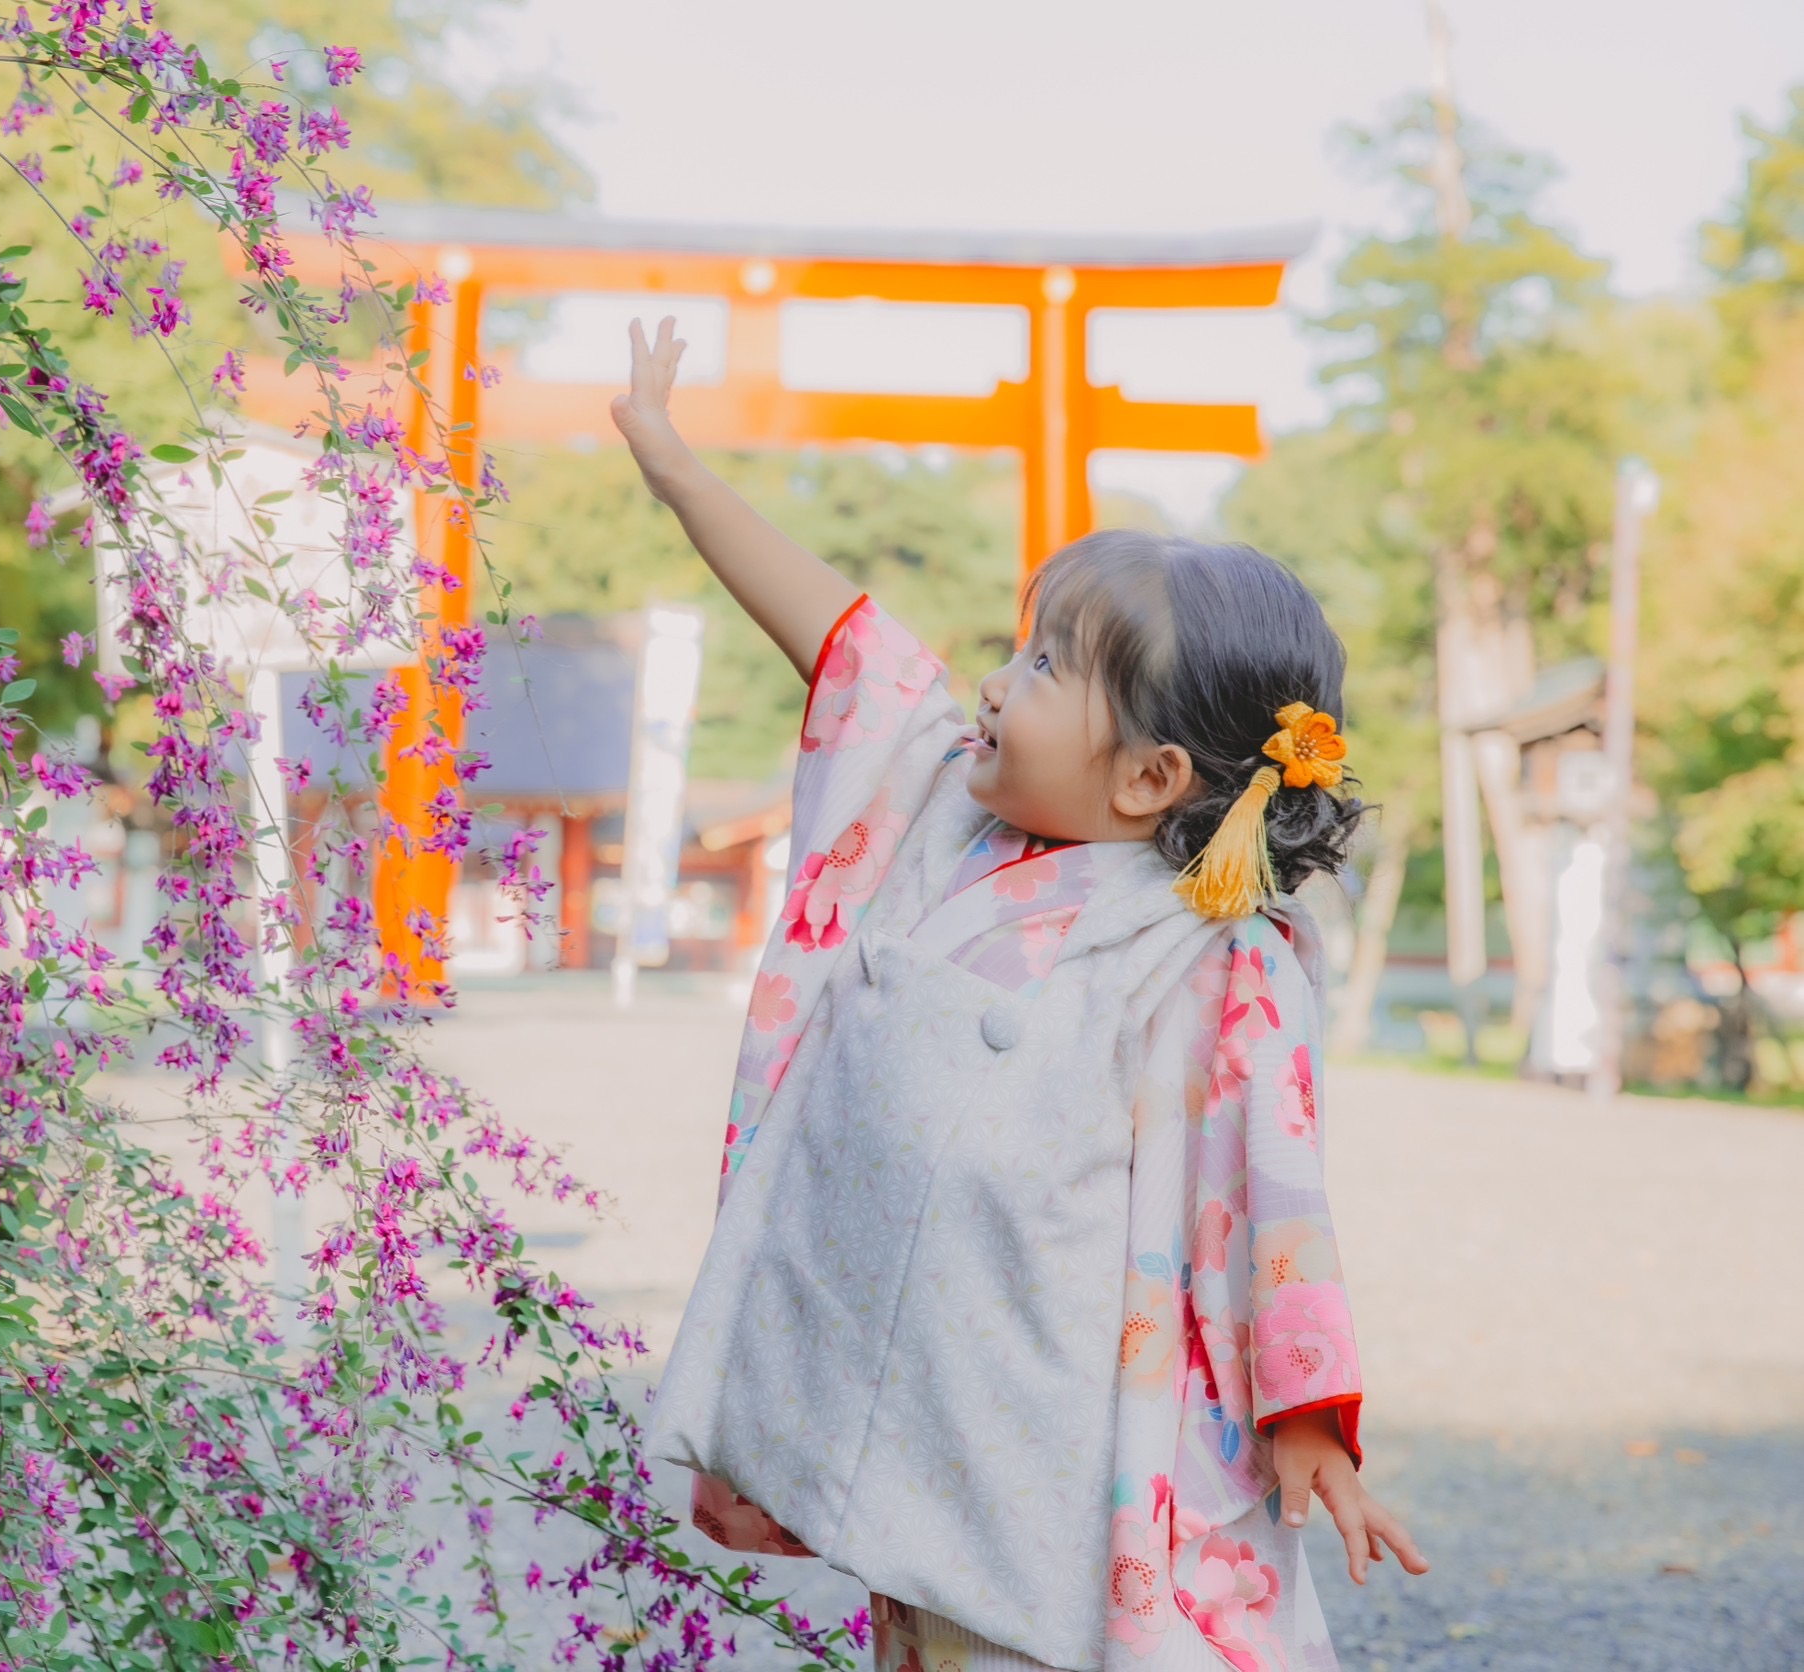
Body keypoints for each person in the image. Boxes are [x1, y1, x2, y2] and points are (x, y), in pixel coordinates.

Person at [611, 318, 1428, 1672]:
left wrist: (1300, 1416)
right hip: (928, 1408)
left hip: (1058, 1443)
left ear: (1152, 779)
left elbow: (1272, 1190)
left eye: (1046, 666)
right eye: (1020, 646)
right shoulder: (948, 814)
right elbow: (847, 646)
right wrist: (675, 467)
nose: (995, 682)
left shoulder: (1211, 958)